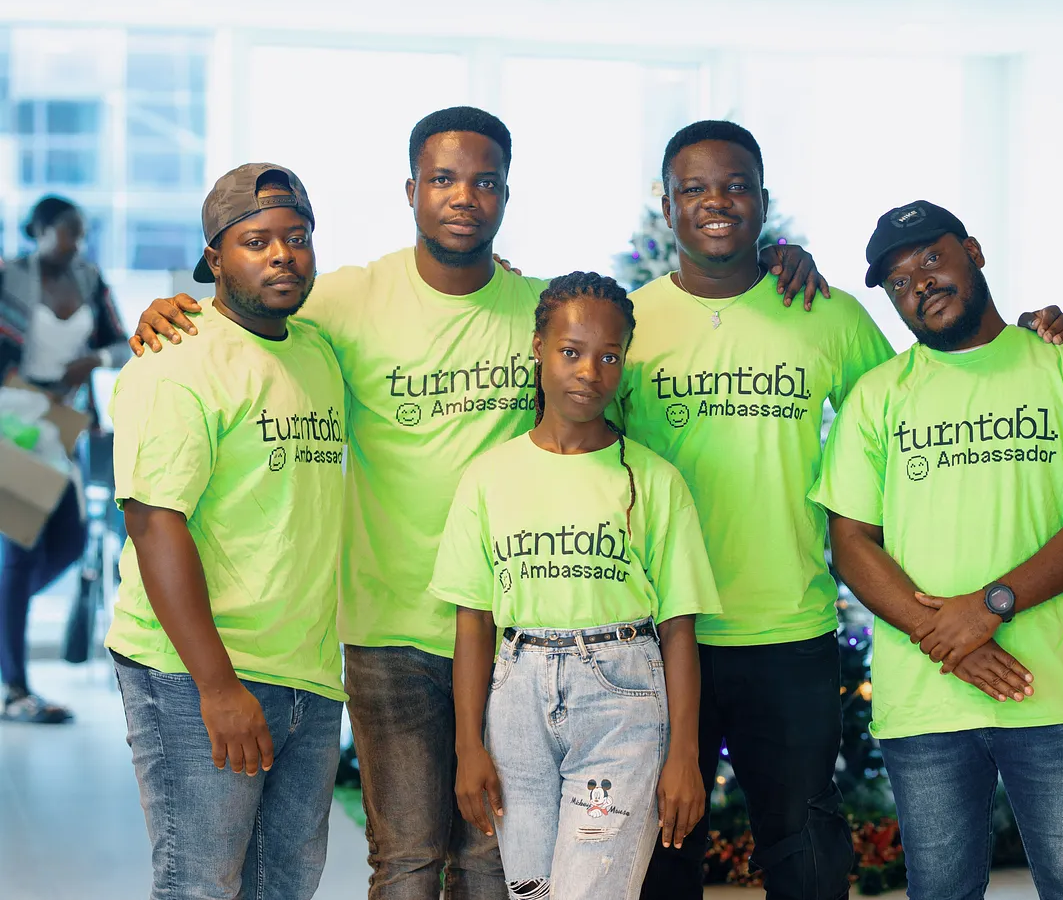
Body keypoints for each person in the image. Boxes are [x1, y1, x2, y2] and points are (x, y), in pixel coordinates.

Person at [127, 107, 827, 900]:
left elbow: (618, 348)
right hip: (387, 632)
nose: (464, 196)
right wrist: (162, 316)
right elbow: (248, 314)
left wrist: (777, 266)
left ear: (504, 193)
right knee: (407, 859)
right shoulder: (347, 302)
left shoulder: (537, 312)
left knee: (499, 863)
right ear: (412, 190)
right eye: (444, 179)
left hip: (513, 636)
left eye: (485, 181)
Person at [627, 123, 1063, 900]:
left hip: (792, 631)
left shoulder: (826, 313)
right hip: (659, 632)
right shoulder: (630, 326)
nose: (716, 202)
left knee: (806, 851)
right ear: (666, 208)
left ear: (763, 200)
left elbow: (924, 389)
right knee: (661, 854)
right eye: (694, 189)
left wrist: (1032, 337)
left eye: (736, 184)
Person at [810, 200, 1063, 900]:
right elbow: (849, 543)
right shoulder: (878, 398)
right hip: (927, 699)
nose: (920, 283)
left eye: (932, 259)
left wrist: (991, 606)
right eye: (900, 280)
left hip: (1057, 691)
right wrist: (953, 637)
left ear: (973, 251)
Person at [432, 272, 722, 900]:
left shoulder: (655, 481)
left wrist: (684, 755)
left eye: (609, 356)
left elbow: (678, 630)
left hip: (622, 700)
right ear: (538, 346)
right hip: (516, 703)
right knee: (531, 894)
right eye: (571, 351)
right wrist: (467, 746)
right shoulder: (488, 479)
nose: (590, 370)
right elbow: (473, 622)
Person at [106, 164, 347, 900]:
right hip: (194, 672)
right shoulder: (176, 359)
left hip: (304, 668)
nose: (281, 255)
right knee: (200, 884)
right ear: (215, 259)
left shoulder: (318, 350)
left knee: (283, 885)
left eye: (297, 238)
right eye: (256, 241)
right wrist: (217, 685)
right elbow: (154, 521)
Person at [0, 195, 129, 723]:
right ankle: (16, 690)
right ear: (40, 230)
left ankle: (8, 622)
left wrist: (91, 361)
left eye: (81, 234)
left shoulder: (90, 279)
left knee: (71, 540)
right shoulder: (11, 276)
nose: (76, 243)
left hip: (65, 421)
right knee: (22, 545)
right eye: (68, 233)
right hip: (14, 414)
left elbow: (121, 345)